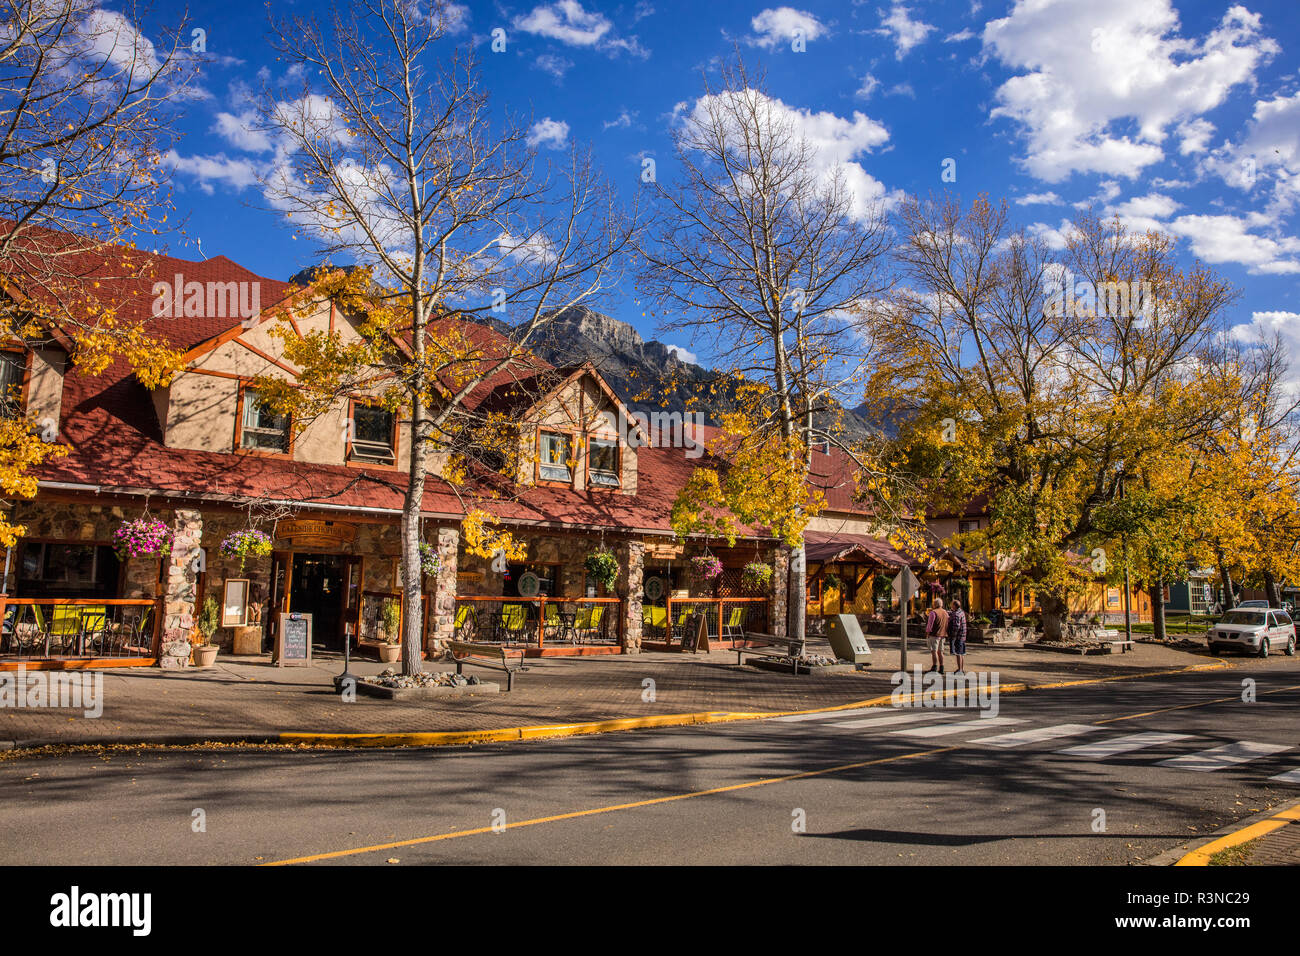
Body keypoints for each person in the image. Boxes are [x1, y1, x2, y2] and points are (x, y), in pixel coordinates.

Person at [925, 597, 949, 674]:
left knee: (934, 651)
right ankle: (941, 667)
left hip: (934, 634)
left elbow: (930, 624)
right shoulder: (945, 612)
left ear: (935, 604)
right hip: (943, 634)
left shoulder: (933, 612)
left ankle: (934, 666)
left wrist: (927, 633)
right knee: (940, 651)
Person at [948, 598, 968, 673]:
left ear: (954, 606)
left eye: (952, 605)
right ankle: (961, 668)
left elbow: (956, 626)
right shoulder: (961, 612)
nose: (951, 606)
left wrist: (953, 635)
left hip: (958, 636)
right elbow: (951, 613)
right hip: (963, 636)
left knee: (958, 653)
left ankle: (960, 669)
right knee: (961, 653)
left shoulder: (956, 614)